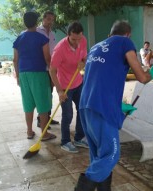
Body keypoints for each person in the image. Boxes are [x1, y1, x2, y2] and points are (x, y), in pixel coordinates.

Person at [75, 20, 153, 191]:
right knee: (111, 155)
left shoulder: (96, 46)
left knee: (99, 156)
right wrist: (152, 72)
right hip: (102, 107)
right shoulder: (124, 42)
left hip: (85, 105)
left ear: (109, 35)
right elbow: (142, 77)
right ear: (127, 34)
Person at [13, 11, 56, 141]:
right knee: (43, 104)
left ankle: (29, 131)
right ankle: (44, 133)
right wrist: (53, 73)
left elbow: (15, 60)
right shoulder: (41, 38)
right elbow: (47, 58)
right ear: (37, 22)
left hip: (24, 74)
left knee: (28, 104)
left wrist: (19, 76)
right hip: (39, 74)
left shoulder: (19, 39)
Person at [49, 21, 89, 153]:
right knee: (67, 115)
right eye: (73, 39)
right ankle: (65, 141)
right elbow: (52, 70)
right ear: (68, 35)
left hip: (78, 82)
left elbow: (84, 57)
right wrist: (60, 91)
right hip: (65, 86)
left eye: (79, 38)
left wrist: (83, 62)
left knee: (82, 110)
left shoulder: (82, 40)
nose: (77, 42)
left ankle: (78, 138)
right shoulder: (60, 49)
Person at [36, 10, 59, 128]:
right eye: (49, 19)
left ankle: (47, 118)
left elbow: (54, 51)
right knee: (42, 94)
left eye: (52, 20)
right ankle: (40, 119)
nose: (50, 22)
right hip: (41, 67)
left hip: (51, 67)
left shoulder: (52, 34)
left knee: (49, 93)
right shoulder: (37, 31)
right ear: (43, 19)